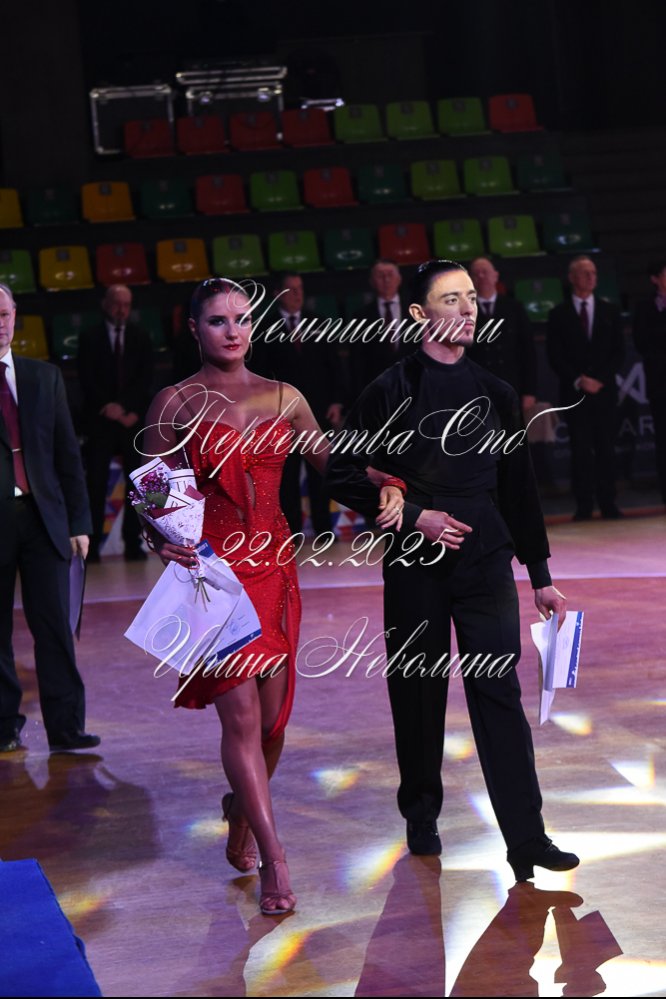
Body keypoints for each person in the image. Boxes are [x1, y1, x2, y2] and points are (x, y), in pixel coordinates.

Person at [141, 277, 402, 914]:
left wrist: (390, 481)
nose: (232, 330)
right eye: (217, 320)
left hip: (277, 570)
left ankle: (240, 811)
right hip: (211, 576)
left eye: (242, 318)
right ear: (194, 329)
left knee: (273, 725)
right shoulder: (174, 403)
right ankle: (275, 859)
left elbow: (336, 467)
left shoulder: (286, 397)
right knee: (240, 720)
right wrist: (159, 541)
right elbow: (152, 494)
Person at [326, 259, 579, 882]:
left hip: (486, 562)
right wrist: (416, 517)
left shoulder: (496, 393)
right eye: (450, 299)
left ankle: (527, 838)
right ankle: (421, 812)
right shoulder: (388, 389)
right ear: (418, 313)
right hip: (416, 563)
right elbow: (342, 474)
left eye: (470, 297)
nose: (467, 309)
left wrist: (540, 575)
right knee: (418, 693)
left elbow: (519, 490)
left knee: (499, 694)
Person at [0, 284, 99, 753]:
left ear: (15, 315)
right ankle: (4, 725)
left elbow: (67, 456)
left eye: (3, 314)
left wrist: (79, 521)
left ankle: (66, 728)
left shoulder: (45, 377)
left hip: (45, 520)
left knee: (55, 626)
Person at [249, 272, 345, 535]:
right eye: (291, 289)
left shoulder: (319, 322)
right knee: (287, 476)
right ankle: (292, 533)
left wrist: (337, 401)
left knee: (320, 472)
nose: (298, 294)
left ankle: (324, 529)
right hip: (281, 416)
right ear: (277, 293)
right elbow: (259, 375)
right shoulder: (265, 327)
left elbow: (334, 367)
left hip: (318, 411)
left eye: (300, 289)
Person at [78, 284, 154, 560]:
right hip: (101, 422)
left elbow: (146, 379)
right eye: (116, 303)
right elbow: (87, 378)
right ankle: (92, 546)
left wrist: (127, 409)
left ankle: (133, 543)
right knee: (95, 484)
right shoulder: (90, 337)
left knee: (137, 485)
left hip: (131, 421)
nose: (121, 309)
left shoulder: (141, 336)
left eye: (126, 304)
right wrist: (109, 407)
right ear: (105, 304)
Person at [546, 256, 625, 520]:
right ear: (572, 278)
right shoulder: (558, 314)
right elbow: (555, 356)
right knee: (580, 450)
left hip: (604, 392)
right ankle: (583, 504)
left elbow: (619, 353)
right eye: (584, 273)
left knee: (606, 448)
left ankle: (608, 502)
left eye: (593, 273)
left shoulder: (610, 311)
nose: (591, 277)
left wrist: (599, 379)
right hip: (574, 393)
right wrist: (579, 380)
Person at [468, 256, 538, 412]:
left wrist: (529, 391)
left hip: (511, 386)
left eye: (485, 272)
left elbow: (528, 352)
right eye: (476, 273)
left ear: (495, 276)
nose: (481, 276)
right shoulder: (463, 311)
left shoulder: (514, 308)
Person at [350, 259, 414, 395]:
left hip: (414, 387)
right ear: (372, 281)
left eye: (390, 274)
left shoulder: (417, 312)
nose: (386, 279)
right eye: (380, 275)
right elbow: (357, 361)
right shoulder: (360, 316)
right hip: (378, 391)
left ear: (399, 278)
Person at [632, 259, 666, 504]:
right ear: (655, 279)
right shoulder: (644, 307)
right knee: (663, 439)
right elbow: (642, 342)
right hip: (660, 383)